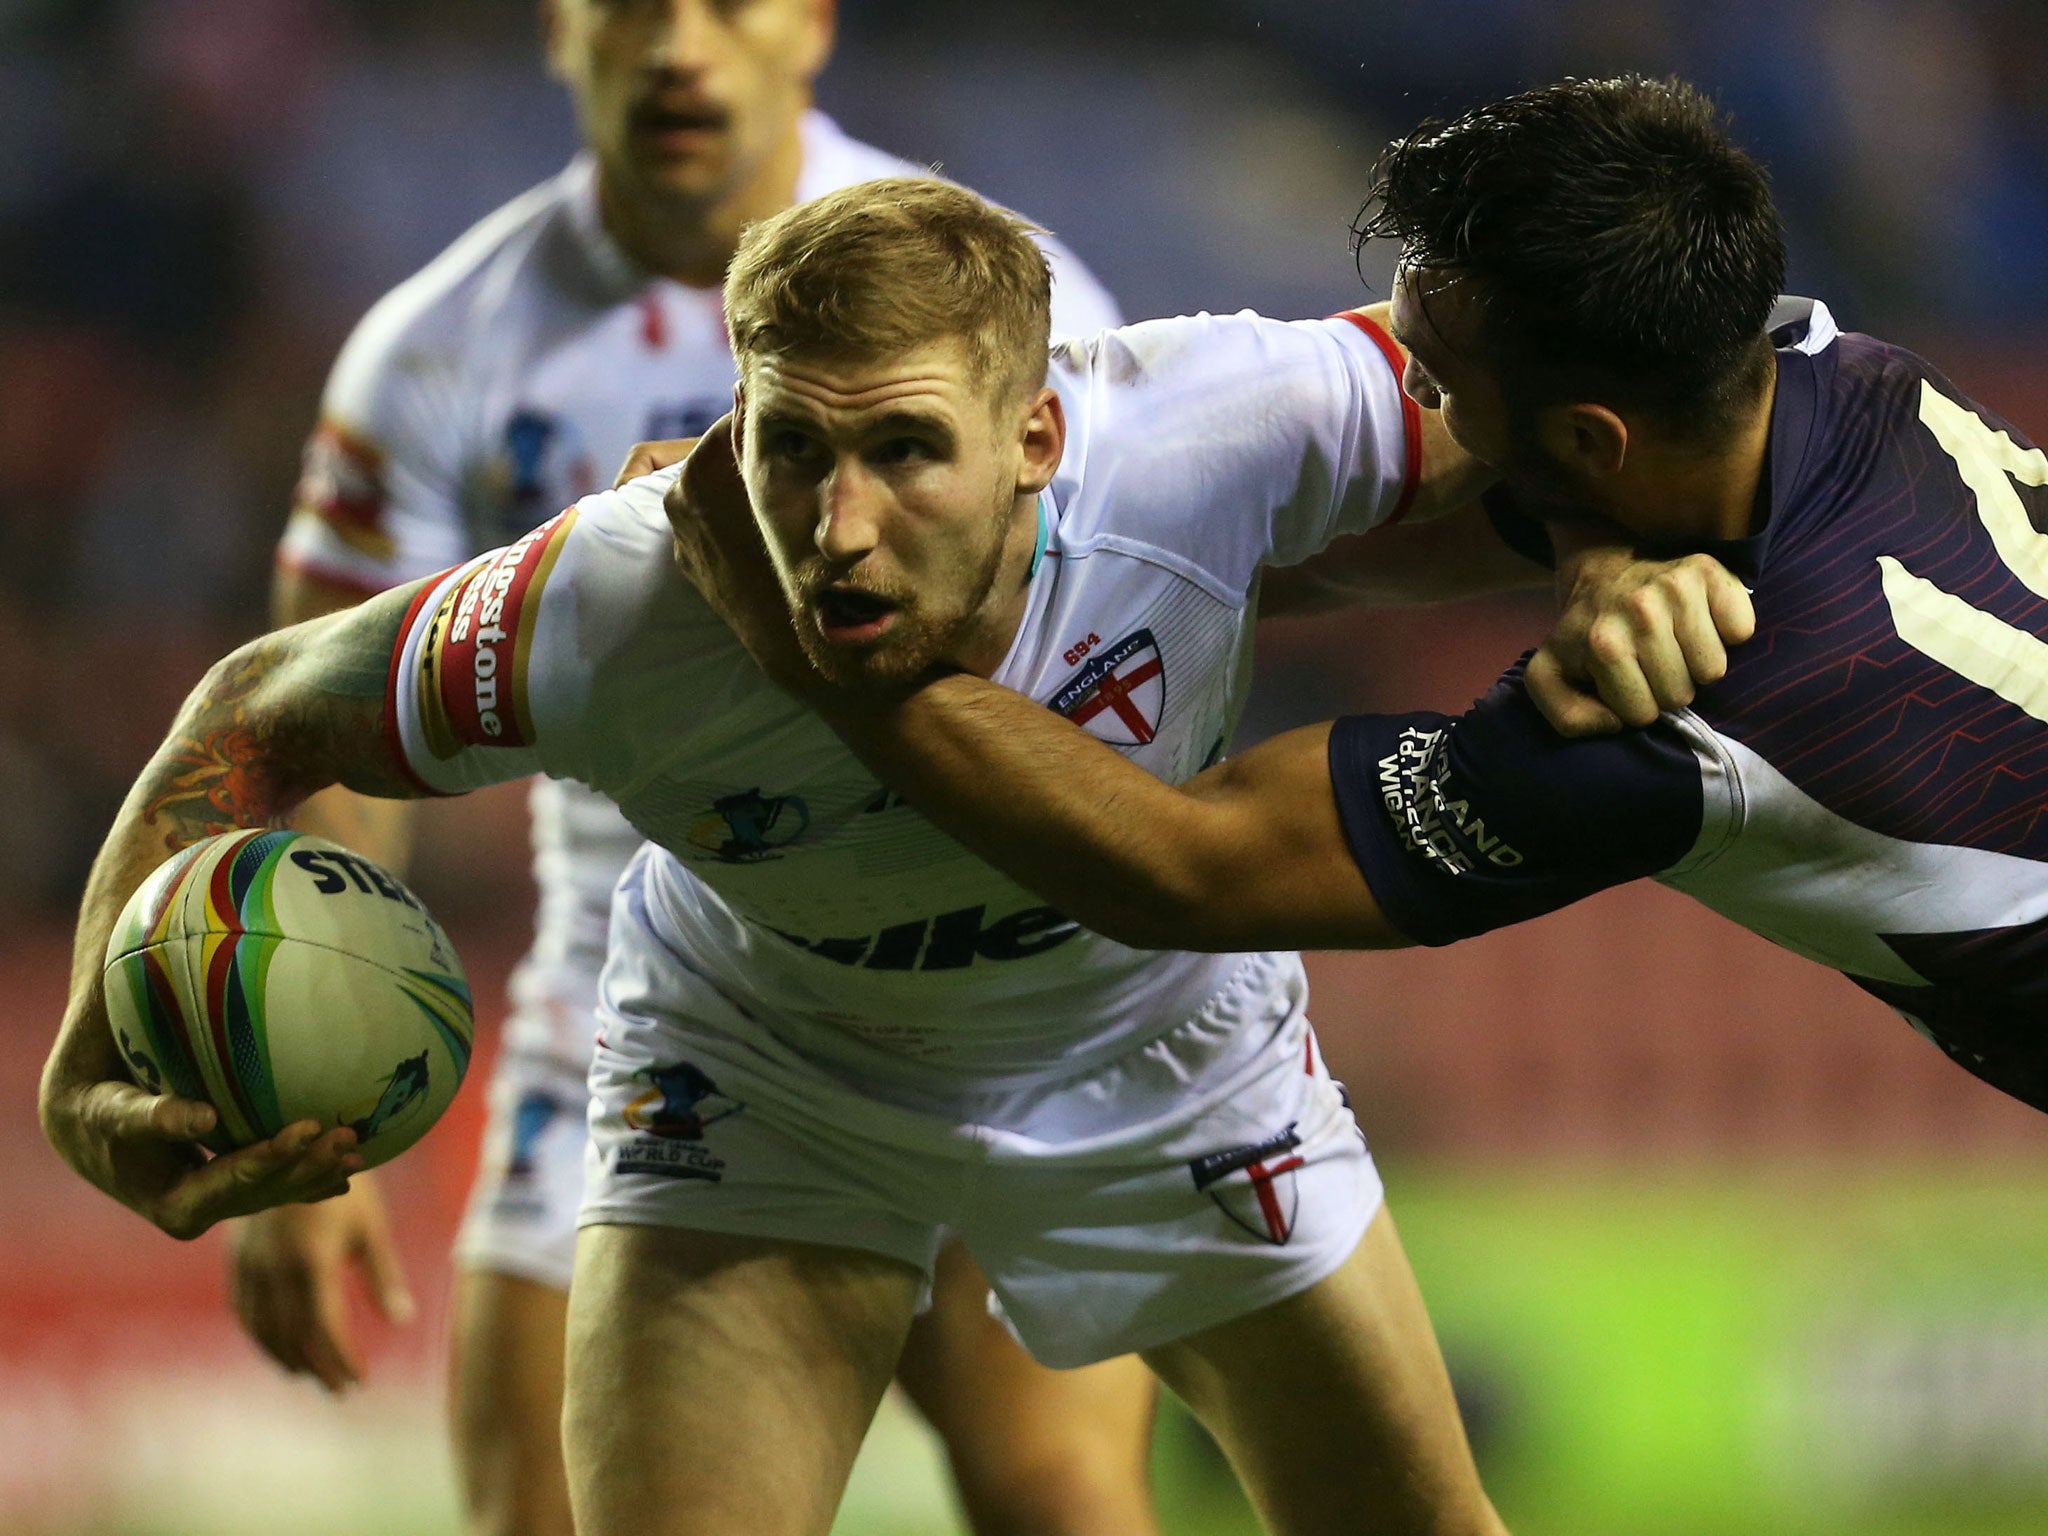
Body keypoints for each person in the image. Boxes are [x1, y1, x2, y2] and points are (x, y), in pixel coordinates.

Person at [37, 174, 1745, 1536]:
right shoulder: (613, 601)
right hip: (766, 1084)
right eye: (793, 448)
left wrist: (1601, 558)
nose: (837, 530)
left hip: (1158, 1059)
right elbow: (254, 714)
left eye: (906, 450)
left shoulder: (1218, 421)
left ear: (1039, 440)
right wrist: (80, 1077)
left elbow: (1545, 398)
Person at [676, 77, 2048, 1122]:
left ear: (1587, 438)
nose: (1416, 404)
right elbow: (1502, 504)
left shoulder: (1672, 720)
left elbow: (1181, 869)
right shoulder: (1834, 365)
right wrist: (1599, 549)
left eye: (1440, 378)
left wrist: (822, 651)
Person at [235, 3, 1143, 1535]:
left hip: (965, 969)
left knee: (1058, 1497)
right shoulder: (440, 348)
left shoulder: (1001, 295)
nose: (678, 48)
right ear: (559, 31)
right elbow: (326, 740)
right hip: (628, 999)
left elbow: (1115, 631)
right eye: (634, 7)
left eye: (725, 3)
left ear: (813, 24)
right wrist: (293, 1112)